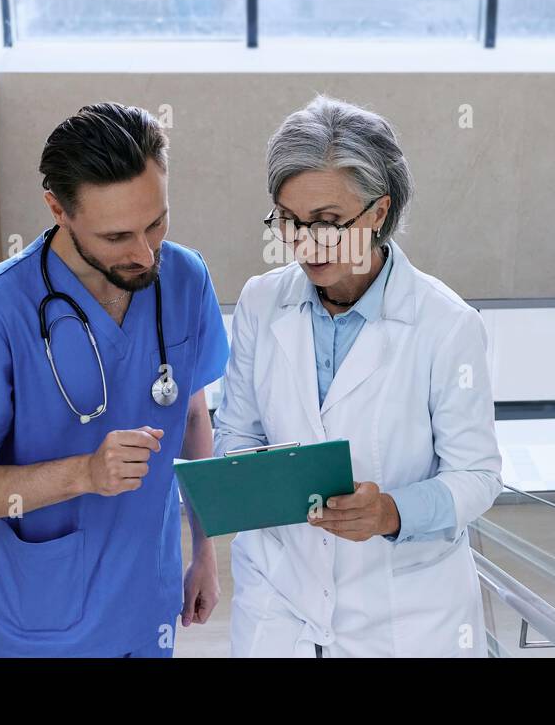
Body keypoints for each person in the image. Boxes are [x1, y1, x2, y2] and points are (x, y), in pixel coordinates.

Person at [0, 103, 230, 657]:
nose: (145, 253)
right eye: (117, 235)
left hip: (148, 605)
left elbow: (193, 414)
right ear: (58, 208)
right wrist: (84, 474)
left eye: (156, 222)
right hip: (44, 623)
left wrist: (205, 549)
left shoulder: (184, 279)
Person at [212, 95, 502, 657]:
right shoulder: (260, 302)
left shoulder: (446, 325)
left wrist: (392, 511)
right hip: (280, 595)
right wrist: (248, 479)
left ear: (377, 212)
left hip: (403, 609)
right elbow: (238, 433)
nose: (304, 243)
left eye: (326, 223)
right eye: (289, 221)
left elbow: (478, 475)